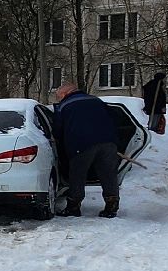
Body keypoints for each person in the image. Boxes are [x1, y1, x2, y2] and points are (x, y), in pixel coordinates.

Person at [51, 83, 125, 218]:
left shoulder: (64, 106)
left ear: (65, 94)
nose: (58, 99)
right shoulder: (96, 100)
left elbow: (57, 129)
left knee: (77, 175)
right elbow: (115, 118)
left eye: (58, 96)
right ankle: (111, 206)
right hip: (108, 142)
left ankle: (74, 206)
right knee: (108, 174)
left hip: (81, 144)